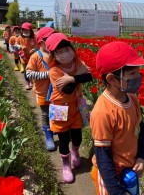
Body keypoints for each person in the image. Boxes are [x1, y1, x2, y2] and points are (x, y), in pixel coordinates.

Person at [90, 41, 144, 195]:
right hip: (109, 176)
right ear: (111, 79)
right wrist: (116, 190)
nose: (139, 77)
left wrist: (142, 157)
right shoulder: (103, 112)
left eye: (138, 72)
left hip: (130, 170)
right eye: (132, 74)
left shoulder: (132, 98)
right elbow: (103, 157)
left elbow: (141, 129)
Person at [45, 33, 93, 183]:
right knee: (64, 138)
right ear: (54, 55)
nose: (64, 53)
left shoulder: (77, 62)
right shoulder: (54, 71)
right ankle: (66, 164)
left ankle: (75, 152)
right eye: (59, 52)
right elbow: (67, 90)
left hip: (76, 107)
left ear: (72, 49)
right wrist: (78, 75)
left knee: (77, 135)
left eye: (66, 49)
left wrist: (71, 78)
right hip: (59, 108)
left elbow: (89, 76)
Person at [26, 27, 56, 151]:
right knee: (45, 113)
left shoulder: (55, 54)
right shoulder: (35, 57)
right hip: (42, 92)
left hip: (57, 92)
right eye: (50, 39)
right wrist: (47, 75)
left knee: (56, 112)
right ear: (42, 42)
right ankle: (48, 136)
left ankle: (56, 129)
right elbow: (29, 74)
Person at [16, 22, 37, 90]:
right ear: (22, 30)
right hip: (23, 57)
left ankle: (33, 81)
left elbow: (37, 46)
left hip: (32, 57)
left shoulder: (34, 38)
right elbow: (16, 44)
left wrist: (34, 49)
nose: (25, 31)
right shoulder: (20, 37)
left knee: (33, 69)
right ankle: (28, 82)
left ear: (31, 31)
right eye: (24, 30)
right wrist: (20, 46)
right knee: (26, 69)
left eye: (27, 30)